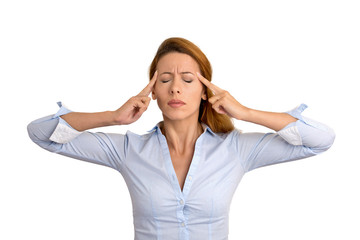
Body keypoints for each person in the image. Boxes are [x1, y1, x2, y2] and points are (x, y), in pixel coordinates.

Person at [27, 37, 335, 240]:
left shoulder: (236, 149)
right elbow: (42, 134)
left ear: (205, 92)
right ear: (154, 92)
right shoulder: (127, 150)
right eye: (164, 80)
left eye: (188, 80)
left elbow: (320, 139)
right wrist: (112, 117)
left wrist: (244, 112)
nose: (176, 88)